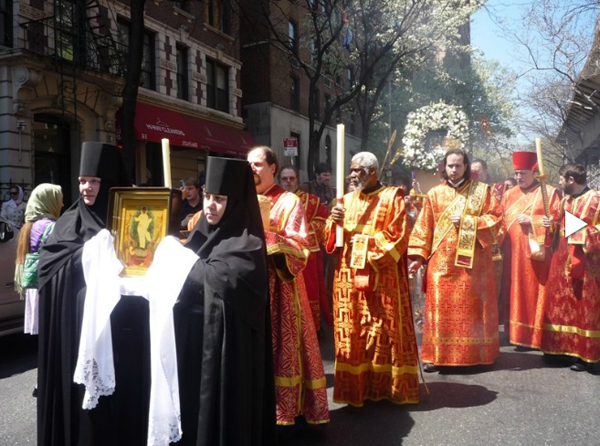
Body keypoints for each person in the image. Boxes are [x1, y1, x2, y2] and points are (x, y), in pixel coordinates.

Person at [37, 142, 150, 446]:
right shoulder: (67, 223)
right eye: (82, 180)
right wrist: (88, 254)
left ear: (111, 184)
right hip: (78, 337)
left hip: (125, 336)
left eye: (95, 181)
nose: (86, 187)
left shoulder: (131, 223)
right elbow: (49, 271)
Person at [173, 156, 277, 445]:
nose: (210, 205)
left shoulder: (248, 245)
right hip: (193, 348)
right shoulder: (198, 235)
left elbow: (217, 279)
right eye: (207, 196)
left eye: (219, 198)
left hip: (226, 360)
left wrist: (179, 263)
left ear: (236, 201)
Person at [324, 152, 419, 407]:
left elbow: (398, 234)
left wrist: (364, 245)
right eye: (351, 170)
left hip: (381, 278)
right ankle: (356, 388)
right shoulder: (344, 200)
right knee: (352, 331)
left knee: (382, 331)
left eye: (357, 171)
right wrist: (333, 224)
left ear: (373, 172)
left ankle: (386, 387)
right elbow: (331, 242)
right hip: (347, 278)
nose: (352, 175)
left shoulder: (392, 197)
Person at [247, 146, 329, 426]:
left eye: (258, 164)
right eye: (249, 164)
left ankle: (285, 413)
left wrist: (267, 238)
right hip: (247, 289)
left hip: (280, 292)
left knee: (284, 350)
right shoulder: (241, 199)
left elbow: (300, 247)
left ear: (272, 168)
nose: (252, 169)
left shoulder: (288, 202)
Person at [408, 148, 502, 372]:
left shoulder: (482, 191)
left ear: (466, 167)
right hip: (441, 265)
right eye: (450, 165)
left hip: (473, 265)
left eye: (458, 165)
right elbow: (423, 228)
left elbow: (496, 218)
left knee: (472, 308)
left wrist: (470, 221)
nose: (453, 169)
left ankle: (474, 355)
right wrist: (418, 257)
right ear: (444, 167)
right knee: (440, 309)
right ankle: (437, 356)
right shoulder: (434, 194)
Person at [540, 163, 600, 372]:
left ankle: (585, 357)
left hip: (586, 264)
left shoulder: (596, 199)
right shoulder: (564, 200)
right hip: (561, 261)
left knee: (584, 308)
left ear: (571, 180)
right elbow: (558, 224)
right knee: (560, 305)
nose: (559, 182)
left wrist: (579, 232)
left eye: (561, 178)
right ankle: (561, 351)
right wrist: (552, 225)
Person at [499, 151, 560, 349]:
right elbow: (500, 221)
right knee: (511, 291)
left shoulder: (548, 192)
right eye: (516, 173)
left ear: (533, 171)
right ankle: (513, 333)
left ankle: (533, 335)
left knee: (531, 292)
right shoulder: (509, 194)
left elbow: (557, 222)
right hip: (510, 253)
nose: (518, 177)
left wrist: (533, 221)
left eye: (523, 173)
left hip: (535, 255)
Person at [279, 165, 332, 330]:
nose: (288, 182)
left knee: (309, 289)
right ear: (279, 180)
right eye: (284, 179)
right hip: (280, 253)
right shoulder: (273, 201)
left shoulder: (311, 200)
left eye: (291, 178)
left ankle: (311, 326)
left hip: (305, 253)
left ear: (297, 180)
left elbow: (324, 219)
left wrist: (305, 230)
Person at [14, 183, 63, 335]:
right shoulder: (52, 226)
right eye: (59, 199)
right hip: (48, 284)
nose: (62, 204)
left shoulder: (30, 225)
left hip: (35, 284)